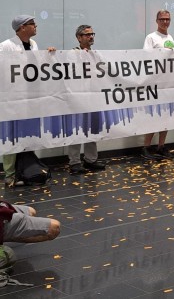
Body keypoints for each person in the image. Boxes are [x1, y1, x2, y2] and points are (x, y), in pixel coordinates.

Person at [0, 15, 56, 188]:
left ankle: (24, 170)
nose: (36, 26)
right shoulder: (6, 46)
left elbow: (35, 67)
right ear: (22, 27)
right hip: (12, 97)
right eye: (32, 24)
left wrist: (49, 55)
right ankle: (9, 174)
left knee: (25, 134)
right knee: (11, 134)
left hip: (29, 97)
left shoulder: (33, 45)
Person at [66, 25, 107, 174]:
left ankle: (90, 159)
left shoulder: (96, 54)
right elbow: (74, 71)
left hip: (93, 96)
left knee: (92, 128)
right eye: (87, 35)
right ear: (79, 37)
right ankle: (74, 162)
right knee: (76, 129)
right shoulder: (72, 53)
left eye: (92, 34)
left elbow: (102, 70)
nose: (91, 37)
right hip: (78, 95)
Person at [141, 10, 174, 160]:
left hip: (168, 83)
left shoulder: (170, 37)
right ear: (157, 21)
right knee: (154, 116)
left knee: (166, 116)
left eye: (167, 19)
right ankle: (146, 147)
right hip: (155, 83)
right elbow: (146, 57)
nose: (165, 22)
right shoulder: (151, 38)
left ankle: (161, 146)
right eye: (162, 19)